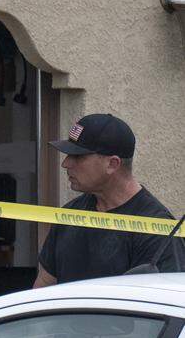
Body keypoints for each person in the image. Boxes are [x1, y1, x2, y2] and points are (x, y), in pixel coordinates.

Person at [35, 113, 181, 286]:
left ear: (112, 164)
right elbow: (45, 284)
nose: (65, 163)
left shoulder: (156, 228)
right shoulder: (70, 215)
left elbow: (158, 298)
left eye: (78, 156)